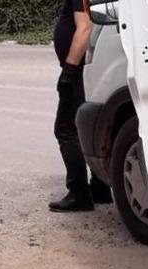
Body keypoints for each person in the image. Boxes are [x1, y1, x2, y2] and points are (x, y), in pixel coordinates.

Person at [48, 0, 112, 212]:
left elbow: (84, 29)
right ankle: (100, 187)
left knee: (66, 130)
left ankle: (79, 194)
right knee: (91, 126)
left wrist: (69, 70)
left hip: (79, 69)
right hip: (91, 67)